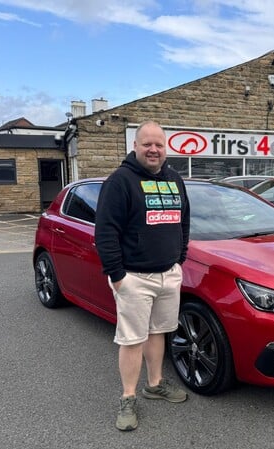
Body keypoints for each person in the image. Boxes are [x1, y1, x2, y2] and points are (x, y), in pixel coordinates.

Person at [95, 120, 190, 431]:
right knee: (132, 339)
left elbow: (183, 222)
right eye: (147, 144)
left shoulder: (175, 179)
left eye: (158, 144)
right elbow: (106, 232)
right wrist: (117, 276)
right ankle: (128, 397)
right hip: (134, 277)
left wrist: (180, 259)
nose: (153, 149)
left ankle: (155, 384)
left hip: (168, 274)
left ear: (166, 148)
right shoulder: (120, 181)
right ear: (134, 146)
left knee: (158, 332)